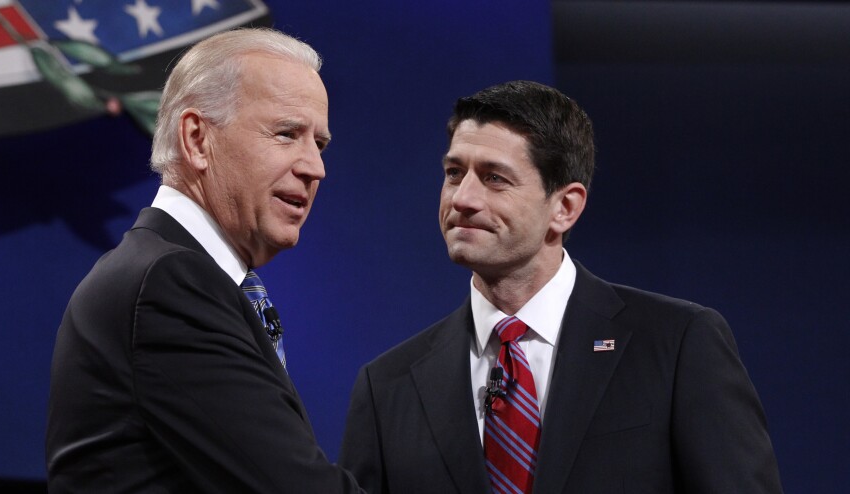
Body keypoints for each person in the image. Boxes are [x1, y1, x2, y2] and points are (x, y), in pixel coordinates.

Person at [339, 81, 783, 493]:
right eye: (455, 173)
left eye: (495, 178)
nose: (462, 199)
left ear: (565, 208)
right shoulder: (387, 386)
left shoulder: (677, 344)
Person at [46, 28, 363, 493]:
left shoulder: (171, 274)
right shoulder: (169, 285)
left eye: (320, 143)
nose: (315, 166)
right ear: (197, 139)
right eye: (286, 133)